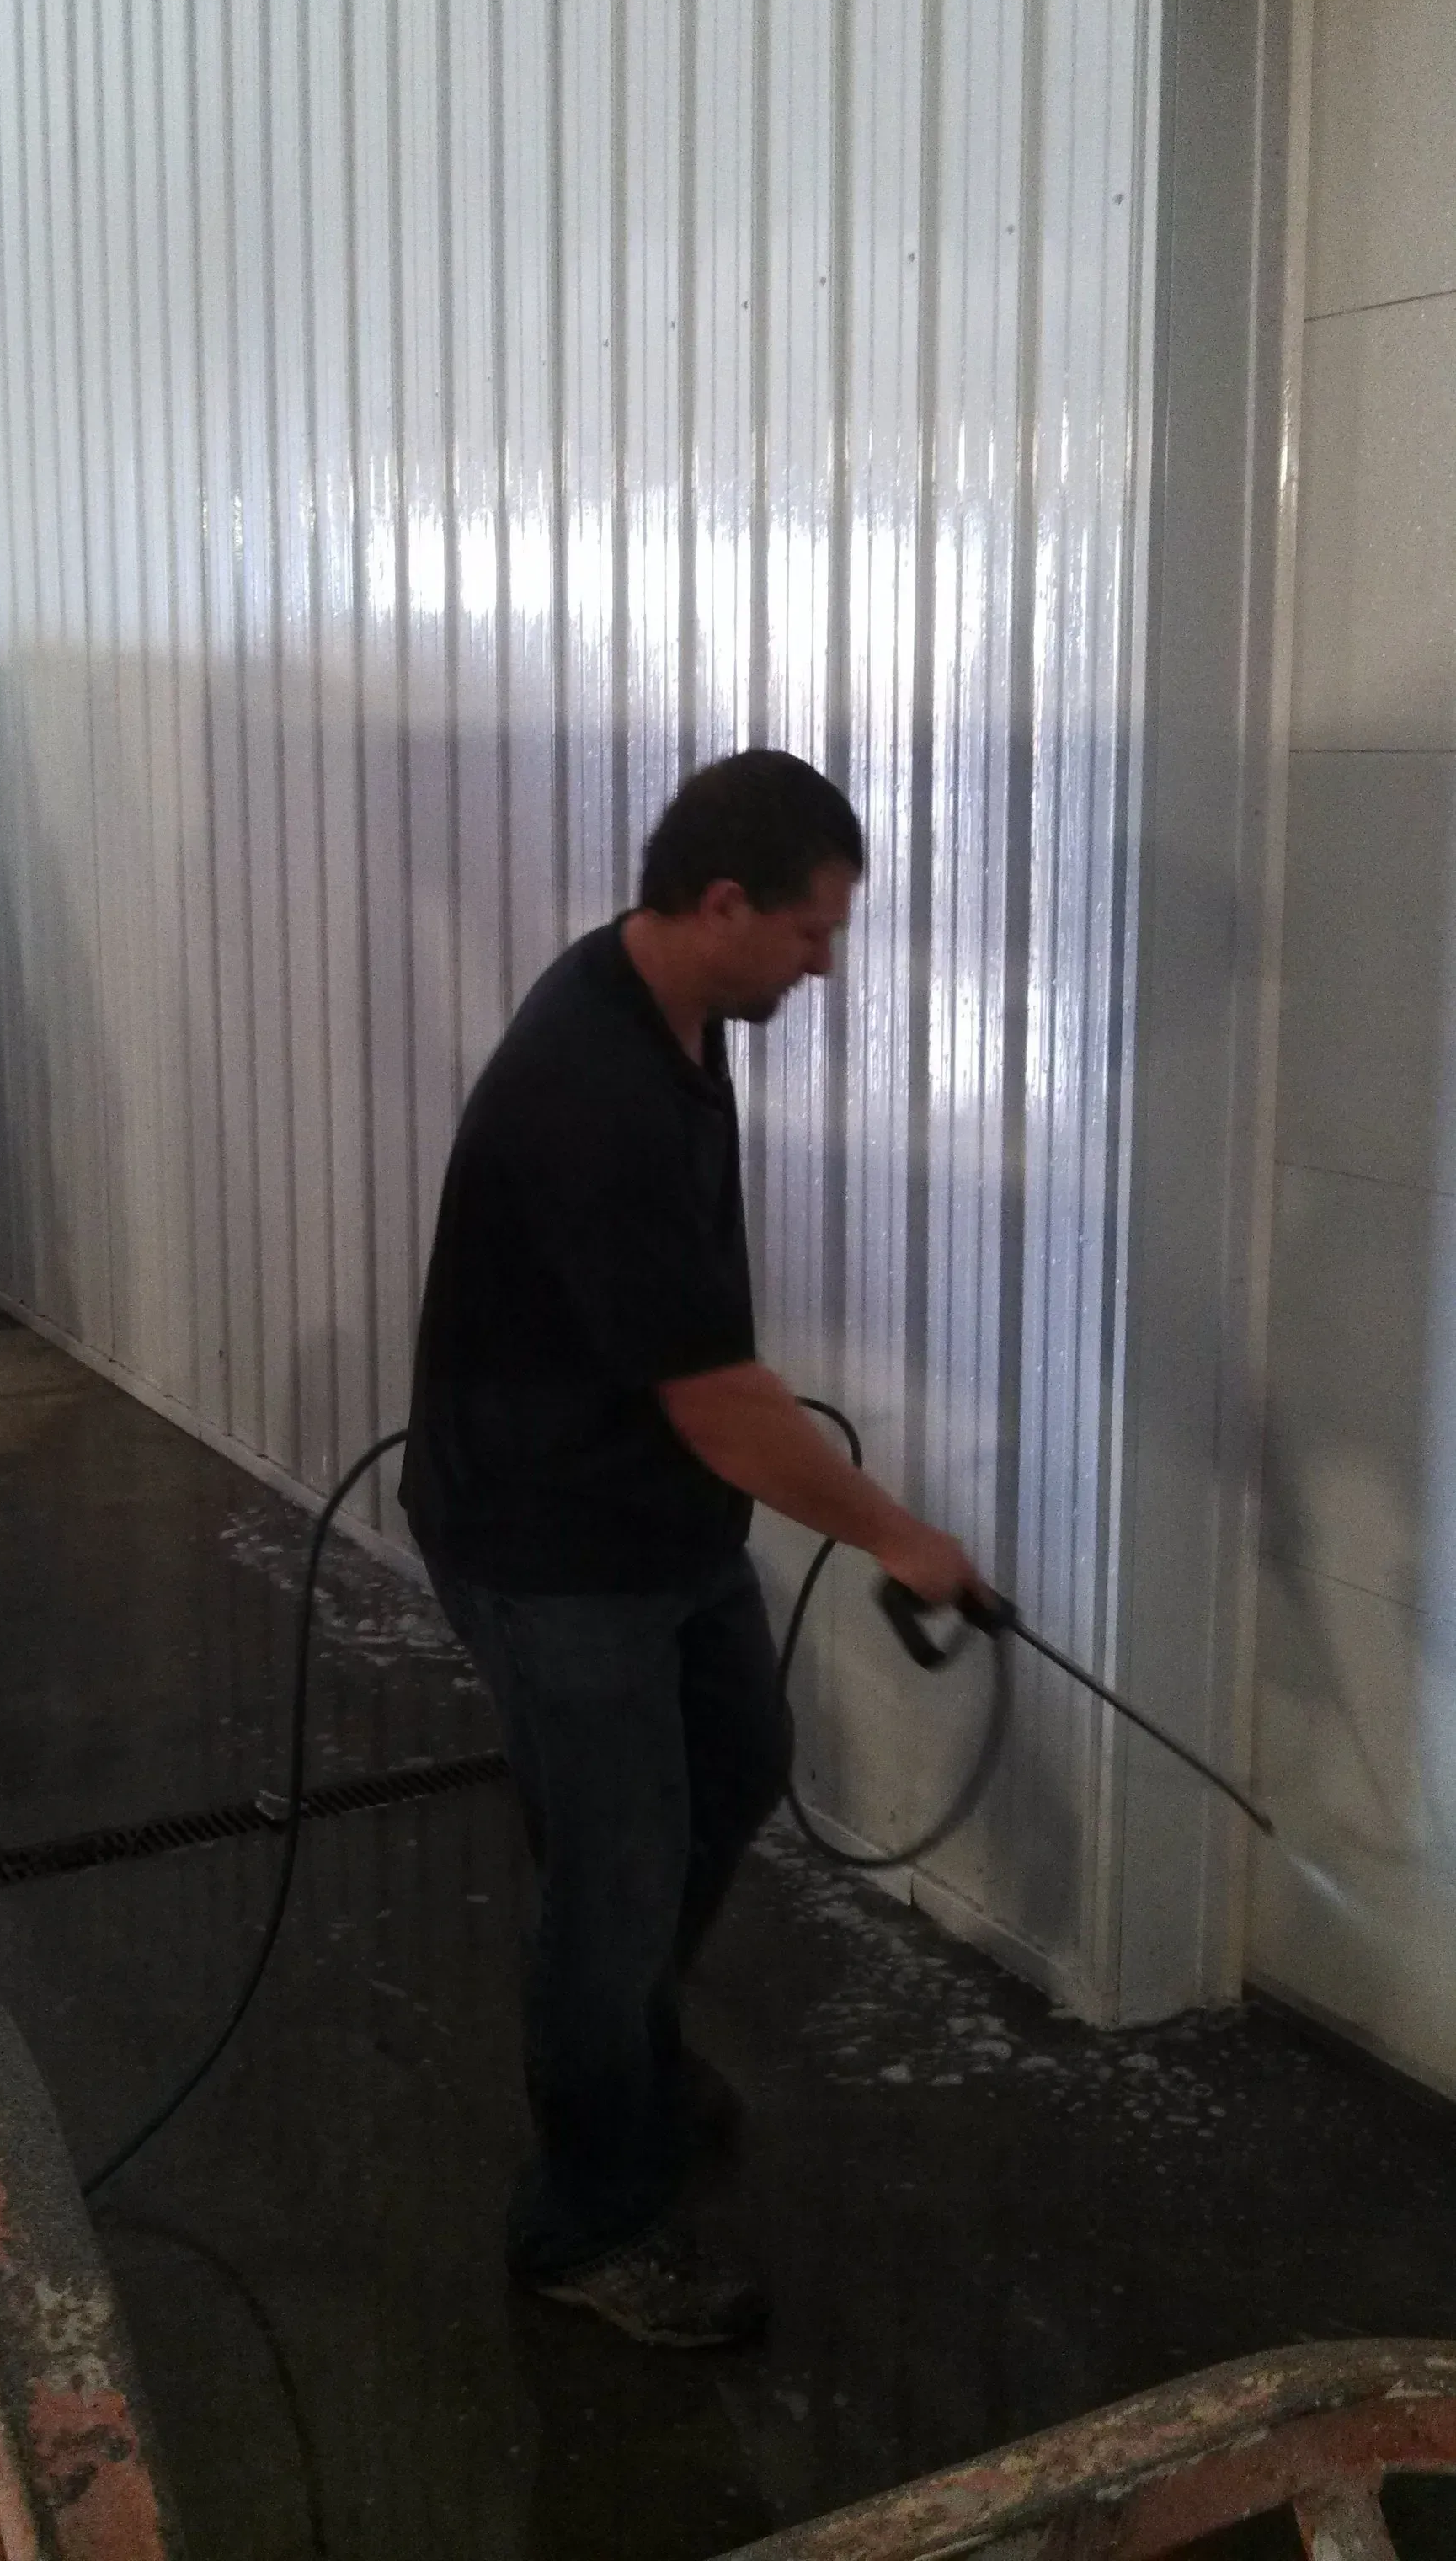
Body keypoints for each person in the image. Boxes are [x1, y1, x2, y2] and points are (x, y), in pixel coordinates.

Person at [401, 749, 987, 2347]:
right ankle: (588, 2222)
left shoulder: (672, 1007)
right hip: (544, 1538)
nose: (825, 962)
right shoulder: (589, 1086)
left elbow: (702, 1392)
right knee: (614, 1869)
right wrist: (901, 1537)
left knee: (733, 1759)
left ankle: (634, 2062)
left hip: (645, 1512)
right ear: (721, 903)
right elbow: (727, 1407)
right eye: (811, 931)